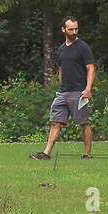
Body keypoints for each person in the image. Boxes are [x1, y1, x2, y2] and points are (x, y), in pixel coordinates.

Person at [30, 17, 96, 160]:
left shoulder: (83, 47)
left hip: (79, 92)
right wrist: (61, 84)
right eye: (71, 29)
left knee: (83, 123)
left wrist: (88, 88)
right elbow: (61, 69)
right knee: (55, 122)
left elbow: (91, 69)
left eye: (76, 29)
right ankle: (46, 153)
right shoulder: (61, 49)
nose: (74, 32)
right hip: (62, 92)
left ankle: (87, 154)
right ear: (63, 30)